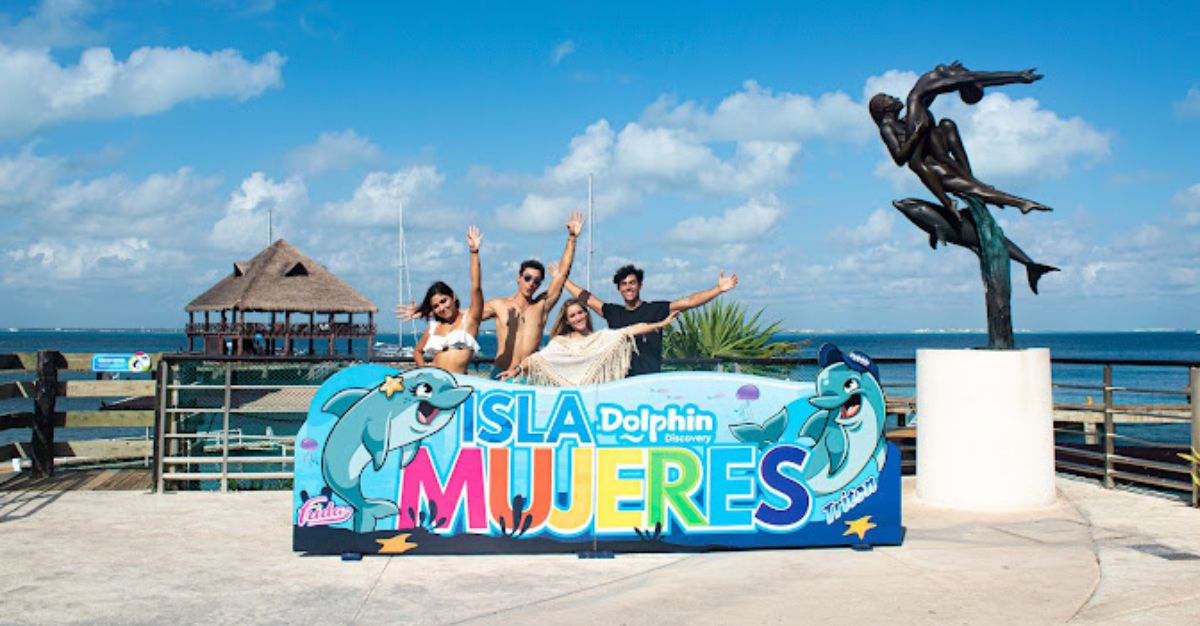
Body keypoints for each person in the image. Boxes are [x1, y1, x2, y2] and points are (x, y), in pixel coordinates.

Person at [869, 62, 1049, 224]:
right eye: (888, 98)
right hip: (932, 171)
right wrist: (1017, 77)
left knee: (947, 125)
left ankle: (994, 191)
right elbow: (902, 160)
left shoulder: (910, 114)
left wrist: (1015, 77)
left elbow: (969, 80)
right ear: (884, 108)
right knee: (973, 188)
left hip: (938, 159)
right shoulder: (893, 121)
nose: (894, 98)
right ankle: (1021, 203)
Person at [563, 265, 738, 376]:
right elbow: (587, 298)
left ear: (640, 286)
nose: (628, 287)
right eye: (624, 284)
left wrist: (718, 290)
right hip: (619, 382)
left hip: (650, 381)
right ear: (619, 289)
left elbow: (689, 302)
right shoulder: (613, 312)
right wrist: (561, 278)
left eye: (632, 283)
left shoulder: (655, 310)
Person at [479, 211, 585, 378]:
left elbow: (562, 274)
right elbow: (468, 316)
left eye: (536, 281)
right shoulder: (499, 305)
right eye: (527, 278)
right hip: (500, 375)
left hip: (528, 376)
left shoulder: (542, 306)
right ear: (518, 277)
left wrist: (572, 238)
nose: (531, 283)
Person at [498, 298, 680, 386]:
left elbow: (631, 330)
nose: (578, 317)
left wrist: (661, 324)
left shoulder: (601, 338)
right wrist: (517, 370)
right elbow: (539, 359)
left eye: (580, 312)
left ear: (586, 313)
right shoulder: (560, 343)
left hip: (593, 399)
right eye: (572, 316)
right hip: (568, 401)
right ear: (567, 321)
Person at [399, 226, 484, 374]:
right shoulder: (433, 327)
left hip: (458, 384)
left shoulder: (470, 319)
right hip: (434, 385)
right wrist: (424, 370)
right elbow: (417, 351)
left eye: (444, 301)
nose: (441, 308)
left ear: (453, 297)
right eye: (436, 306)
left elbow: (476, 286)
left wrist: (474, 252)